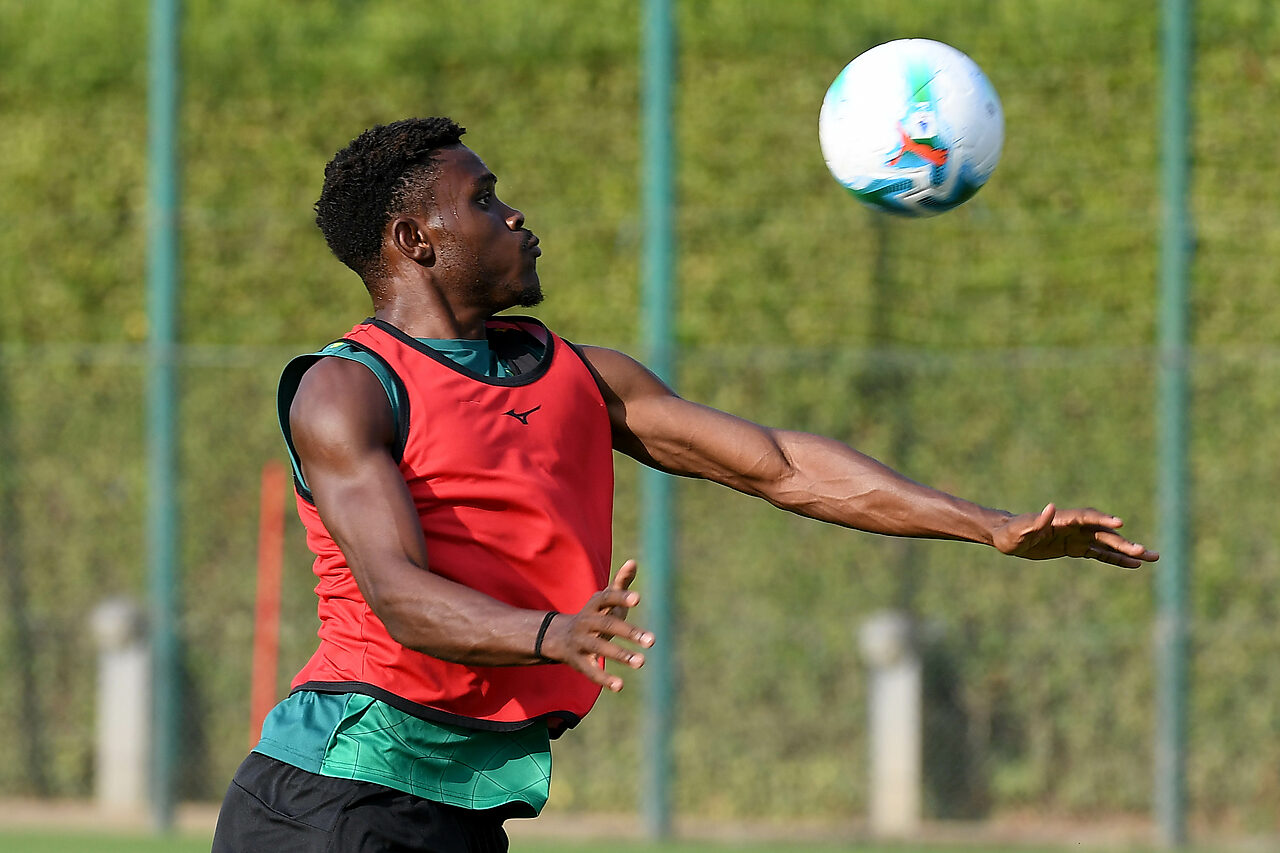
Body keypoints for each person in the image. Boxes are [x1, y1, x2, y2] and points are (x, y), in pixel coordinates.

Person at [211, 116, 1158, 853]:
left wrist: (989, 526)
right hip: (336, 797)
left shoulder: (577, 375)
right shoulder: (346, 389)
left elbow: (782, 465)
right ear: (415, 239)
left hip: (456, 803)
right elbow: (399, 595)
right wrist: (556, 632)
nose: (516, 216)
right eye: (487, 200)